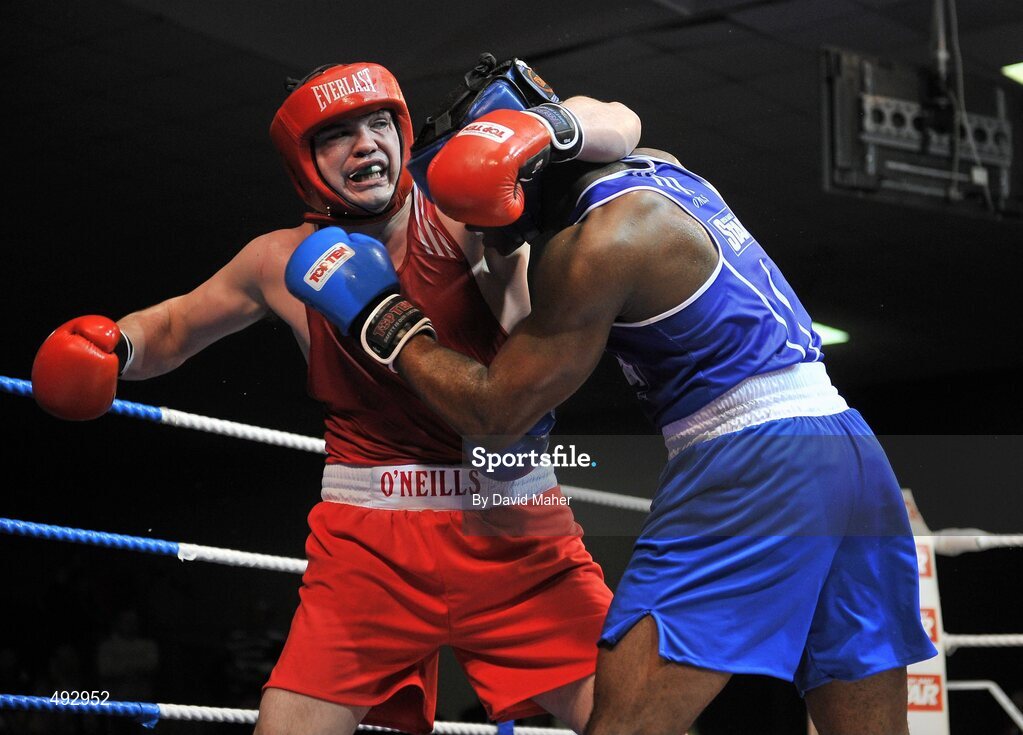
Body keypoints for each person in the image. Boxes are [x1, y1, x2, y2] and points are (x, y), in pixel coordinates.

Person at [286, 61, 940, 735]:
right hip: (847, 447)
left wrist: (385, 318)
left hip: (752, 465)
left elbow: (496, 413)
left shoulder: (593, 245)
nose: (473, 231)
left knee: (623, 726)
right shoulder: (660, 169)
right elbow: (614, 119)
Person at [30, 56, 642, 735]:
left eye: (379, 123)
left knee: (633, 718)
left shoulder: (470, 211)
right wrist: (114, 345)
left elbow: (620, 125)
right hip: (368, 543)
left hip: (509, 517)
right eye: (336, 134)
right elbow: (175, 325)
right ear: (304, 162)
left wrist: (536, 129)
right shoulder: (277, 259)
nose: (366, 144)